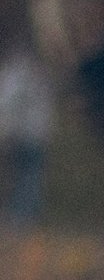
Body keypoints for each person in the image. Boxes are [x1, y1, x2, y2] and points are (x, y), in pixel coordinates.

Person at [0, 46, 55, 231]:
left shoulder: (16, 77)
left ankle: (24, 220)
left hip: (30, 136)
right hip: (26, 136)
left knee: (28, 179)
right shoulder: (21, 77)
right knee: (27, 179)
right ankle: (20, 219)